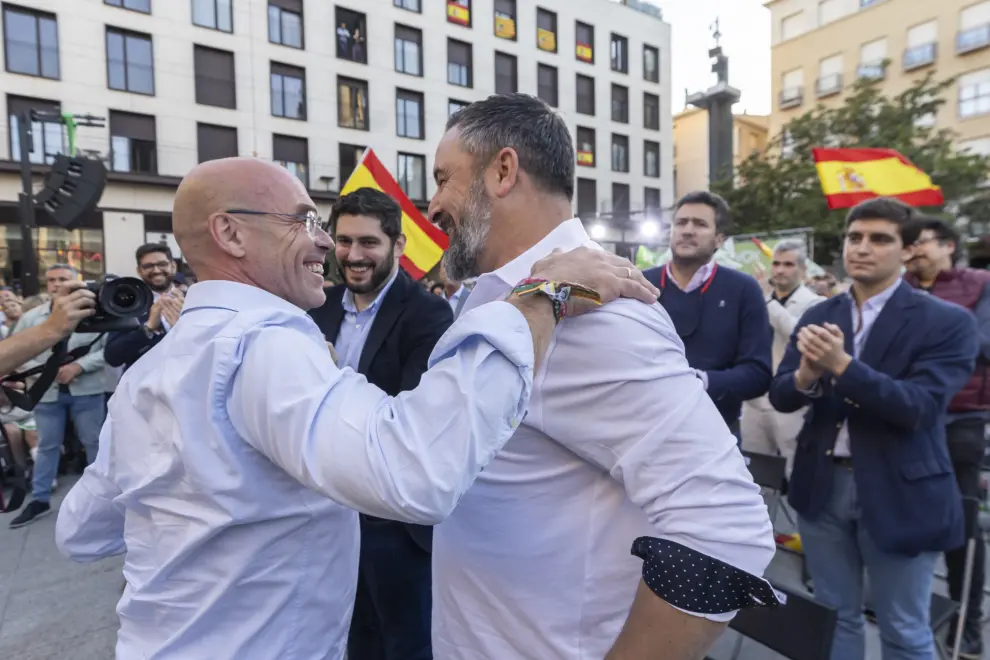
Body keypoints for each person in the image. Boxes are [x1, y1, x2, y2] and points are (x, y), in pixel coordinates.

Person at [54, 156, 658, 659]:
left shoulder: (158, 367)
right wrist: (541, 298)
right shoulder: (259, 344)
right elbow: (414, 472)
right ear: (230, 233)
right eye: (302, 220)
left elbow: (81, 529)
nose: (324, 241)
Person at [428, 94, 776, 660]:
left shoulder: (598, 313)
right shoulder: (509, 295)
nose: (433, 201)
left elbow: (725, 527)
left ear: (503, 170)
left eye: (444, 178)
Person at [769, 198, 979, 660]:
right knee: (833, 615)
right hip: (821, 487)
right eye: (854, 237)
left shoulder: (945, 322)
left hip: (900, 488)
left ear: (906, 250)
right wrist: (806, 375)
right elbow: (782, 395)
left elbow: (919, 408)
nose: (862, 248)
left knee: (903, 627)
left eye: (880, 239)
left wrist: (841, 365)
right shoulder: (820, 314)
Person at [309, 187, 454, 660]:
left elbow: (409, 416)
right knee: (350, 639)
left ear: (399, 245)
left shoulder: (428, 313)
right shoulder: (318, 306)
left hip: (392, 521)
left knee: (407, 642)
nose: (353, 255)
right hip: (325, 511)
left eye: (369, 242)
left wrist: (332, 378)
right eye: (344, 241)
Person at [905, 215, 990, 659]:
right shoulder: (896, 285)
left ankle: (968, 619)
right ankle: (908, 608)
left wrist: (926, 329)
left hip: (960, 420)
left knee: (961, 524)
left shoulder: (979, 284)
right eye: (909, 243)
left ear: (949, 246)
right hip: (904, 416)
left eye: (921, 242)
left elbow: (981, 344)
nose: (914, 250)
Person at [643, 192, 772, 436]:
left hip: (716, 435)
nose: (688, 230)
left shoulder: (743, 289)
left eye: (700, 224)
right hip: (645, 431)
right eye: (681, 223)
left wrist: (701, 382)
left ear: (719, 239)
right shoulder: (640, 284)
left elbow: (758, 373)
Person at [8, 264, 109, 528]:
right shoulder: (31, 319)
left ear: (77, 281)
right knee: (47, 447)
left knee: (95, 443)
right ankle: (40, 499)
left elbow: (108, 350)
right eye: (52, 280)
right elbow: (16, 353)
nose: (56, 284)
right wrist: (43, 372)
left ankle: (103, 500)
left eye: (63, 279)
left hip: (87, 389)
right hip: (47, 394)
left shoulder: (96, 314)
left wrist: (79, 366)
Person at [741, 240, 824, 475]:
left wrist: (767, 300)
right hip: (755, 400)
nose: (779, 270)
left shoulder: (815, 303)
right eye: (776, 263)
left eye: (788, 264)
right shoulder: (760, 298)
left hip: (791, 402)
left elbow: (799, 335)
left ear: (803, 269)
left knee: (795, 471)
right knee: (755, 474)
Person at [104, 243, 184, 371]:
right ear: (139, 271)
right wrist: (148, 328)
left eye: (162, 264)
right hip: (140, 386)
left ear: (173, 266)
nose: (156, 270)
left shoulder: (194, 298)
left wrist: (186, 325)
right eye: (148, 266)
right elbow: (112, 357)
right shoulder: (128, 303)